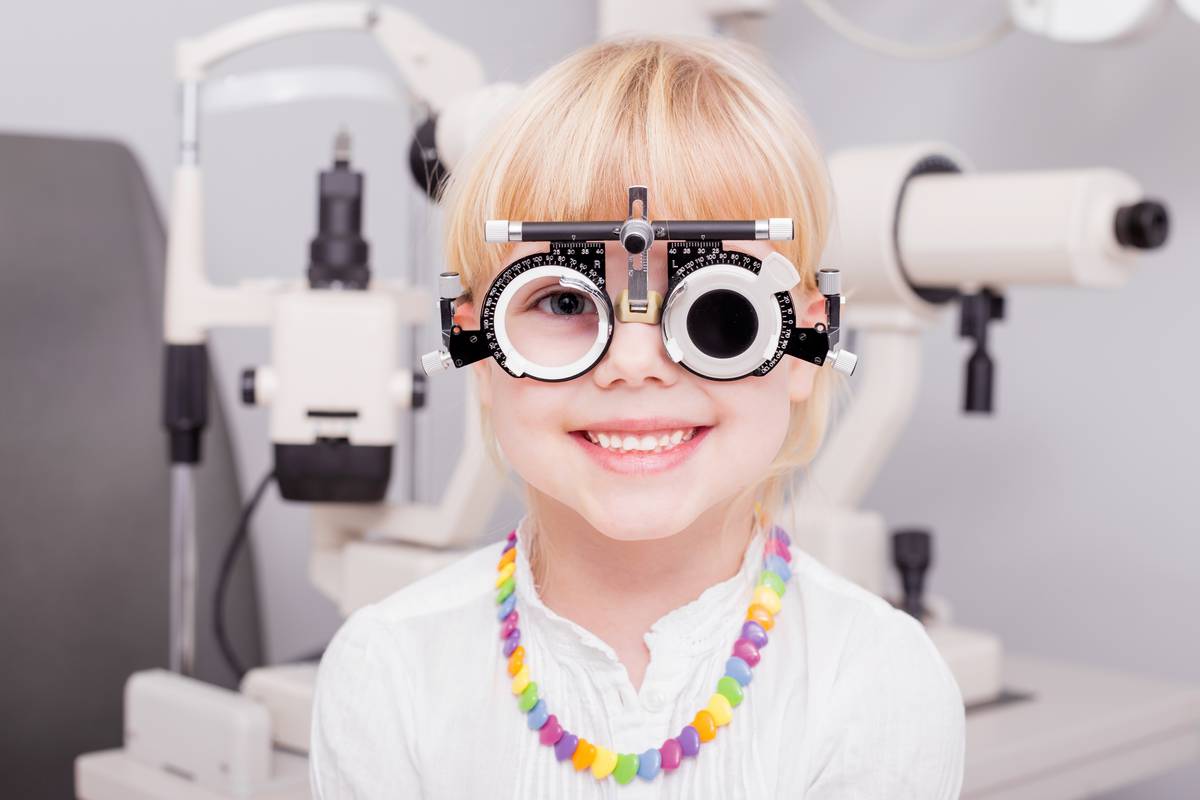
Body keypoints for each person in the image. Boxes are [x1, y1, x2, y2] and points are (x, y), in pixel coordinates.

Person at [310, 34, 964, 799]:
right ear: (474, 343)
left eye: (716, 301)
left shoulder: (876, 682)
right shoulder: (388, 671)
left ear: (801, 344)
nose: (633, 360)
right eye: (561, 299)